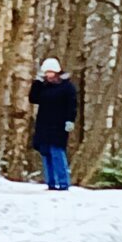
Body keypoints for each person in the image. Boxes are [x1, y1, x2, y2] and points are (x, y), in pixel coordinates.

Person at [29, 57, 77, 191]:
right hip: (44, 124)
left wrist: (70, 120)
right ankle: (50, 182)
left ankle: (63, 183)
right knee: (45, 153)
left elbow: (72, 105)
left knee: (57, 152)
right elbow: (33, 98)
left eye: (51, 72)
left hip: (59, 124)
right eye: (46, 72)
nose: (49, 75)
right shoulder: (43, 86)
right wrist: (37, 83)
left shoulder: (67, 87)